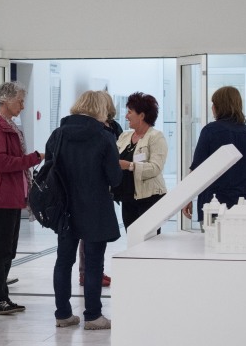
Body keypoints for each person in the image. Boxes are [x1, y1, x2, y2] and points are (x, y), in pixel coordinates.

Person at [47, 91, 122, 330]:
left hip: (64, 207)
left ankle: (63, 314)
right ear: (100, 109)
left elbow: (49, 166)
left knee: (63, 261)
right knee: (93, 263)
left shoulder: (58, 134)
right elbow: (115, 177)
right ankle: (93, 316)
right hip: (96, 207)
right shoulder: (104, 136)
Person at [0, 81, 44, 315]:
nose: (23, 106)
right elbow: (1, 162)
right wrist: (33, 158)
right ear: (6, 101)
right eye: (20, 101)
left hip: (11, 194)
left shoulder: (8, 126)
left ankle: (2, 297)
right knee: (0, 250)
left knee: (8, 250)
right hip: (2, 196)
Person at [182, 86, 246, 221]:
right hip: (244, 207)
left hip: (214, 205)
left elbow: (197, 169)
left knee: (213, 240)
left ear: (219, 106)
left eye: (213, 104)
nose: (212, 108)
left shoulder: (210, 131)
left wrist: (187, 197)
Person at [78, 91, 121, 287]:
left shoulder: (113, 128)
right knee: (90, 239)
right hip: (93, 192)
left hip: (91, 192)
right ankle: (87, 274)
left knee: (91, 239)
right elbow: (114, 171)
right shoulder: (101, 133)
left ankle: (93, 274)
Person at [114, 92, 168, 232]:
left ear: (142, 115)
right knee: (132, 238)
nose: (126, 116)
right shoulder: (124, 136)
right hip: (128, 197)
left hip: (149, 198)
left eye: (130, 112)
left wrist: (130, 166)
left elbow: (156, 167)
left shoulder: (156, 137)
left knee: (149, 242)